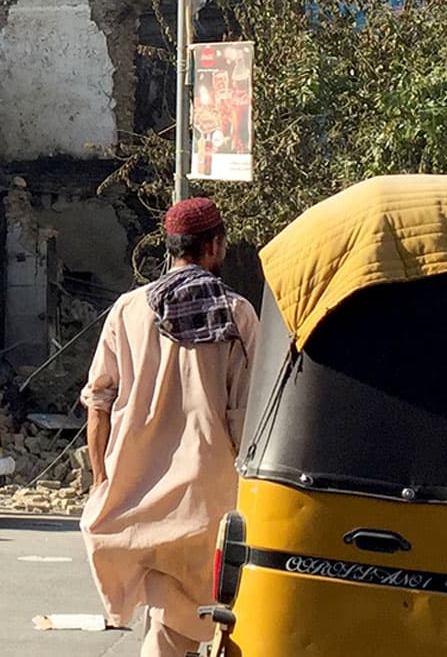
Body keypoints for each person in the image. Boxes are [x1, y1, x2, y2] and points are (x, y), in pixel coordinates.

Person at [79, 197, 259, 657]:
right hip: (207, 499)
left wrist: (102, 481)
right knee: (191, 622)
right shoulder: (236, 314)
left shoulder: (127, 309)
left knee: (167, 618)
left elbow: (98, 403)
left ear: (172, 246)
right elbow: (245, 417)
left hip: (133, 492)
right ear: (214, 246)